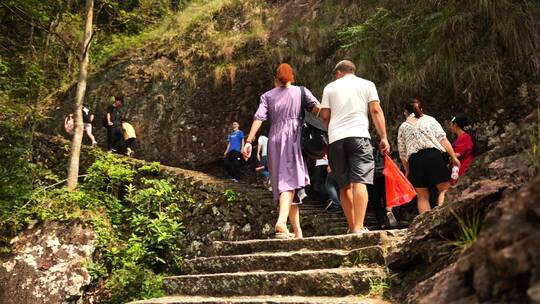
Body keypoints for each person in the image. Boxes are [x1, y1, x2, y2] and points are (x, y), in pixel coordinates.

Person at [242, 63, 322, 239]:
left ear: (275, 78)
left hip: (274, 140)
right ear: (292, 77)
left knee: (286, 183)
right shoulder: (301, 91)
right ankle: (281, 222)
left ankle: (297, 231)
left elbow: (258, 118)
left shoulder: (267, 96)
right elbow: (319, 110)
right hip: (293, 138)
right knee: (289, 182)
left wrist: (249, 141)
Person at [320, 60, 390, 234]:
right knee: (360, 182)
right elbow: (376, 110)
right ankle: (359, 226)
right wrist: (383, 137)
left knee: (344, 185)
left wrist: (331, 133)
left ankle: (352, 226)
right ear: (353, 70)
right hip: (359, 136)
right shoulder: (367, 84)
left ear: (338, 73)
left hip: (336, 139)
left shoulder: (330, 88)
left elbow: (325, 115)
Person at [397, 98, 460, 214]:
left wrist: (407, 171)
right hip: (433, 156)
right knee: (444, 189)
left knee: (422, 196)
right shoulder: (430, 120)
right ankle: (441, 217)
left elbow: (402, 152)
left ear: (405, 112)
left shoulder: (403, 127)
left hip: (415, 160)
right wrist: (454, 157)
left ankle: (424, 224)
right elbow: (443, 139)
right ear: (421, 109)